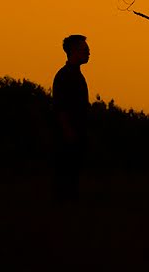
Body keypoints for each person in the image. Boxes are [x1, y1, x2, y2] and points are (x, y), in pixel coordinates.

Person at [52, 34, 91, 202]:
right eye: (85, 49)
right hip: (68, 135)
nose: (89, 53)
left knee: (75, 171)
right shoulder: (64, 75)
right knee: (67, 172)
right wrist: (68, 131)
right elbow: (60, 107)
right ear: (73, 51)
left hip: (77, 132)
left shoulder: (76, 75)